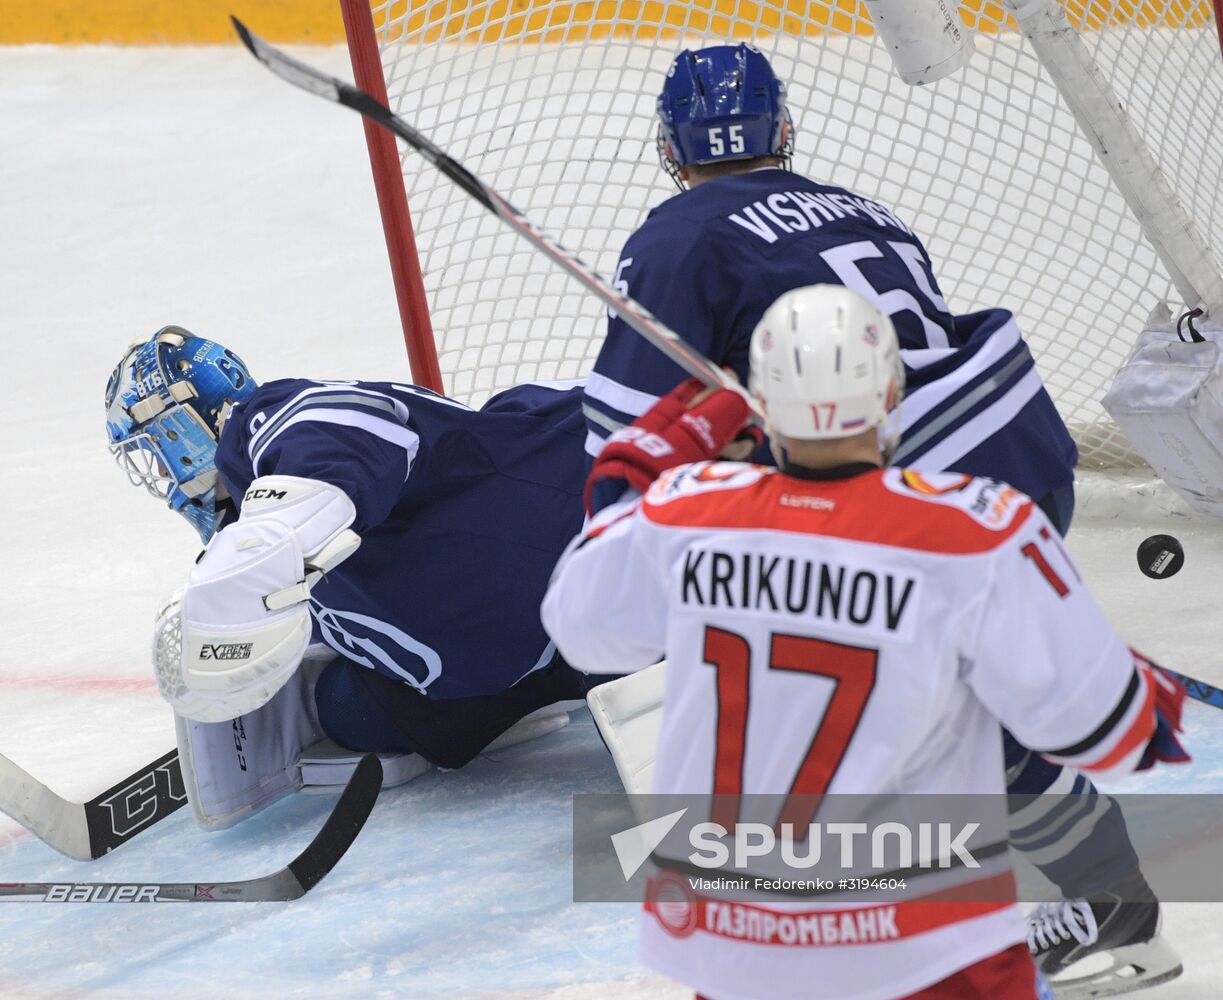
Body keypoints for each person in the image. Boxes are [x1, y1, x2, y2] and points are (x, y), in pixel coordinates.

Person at [581, 43, 1173, 987]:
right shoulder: (861, 207)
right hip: (1015, 444)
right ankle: (1098, 898)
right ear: (783, 130)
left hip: (913, 479)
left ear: (668, 145)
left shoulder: (673, 238)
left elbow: (625, 428)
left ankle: (1104, 907)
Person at [543, 284, 1189, 1000]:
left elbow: (583, 631)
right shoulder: (975, 531)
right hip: (924, 949)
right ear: (889, 396)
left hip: (733, 945)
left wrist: (628, 478)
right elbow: (1099, 732)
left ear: (762, 404)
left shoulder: (685, 510)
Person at [106, 325, 594, 826]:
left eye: (154, 452)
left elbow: (333, 441)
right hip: (536, 648)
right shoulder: (271, 525)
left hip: (597, 537)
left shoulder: (277, 421)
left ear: (179, 423)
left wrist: (264, 549)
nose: (163, 479)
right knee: (345, 710)